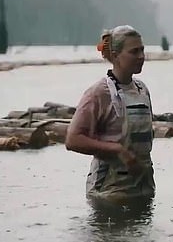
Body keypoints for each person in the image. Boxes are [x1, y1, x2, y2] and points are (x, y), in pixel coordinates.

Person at [66, 25, 155, 201]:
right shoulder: (98, 93)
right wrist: (117, 150)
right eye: (134, 51)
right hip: (108, 193)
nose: (141, 56)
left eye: (142, 50)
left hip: (143, 188)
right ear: (115, 56)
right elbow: (72, 140)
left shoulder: (142, 89)